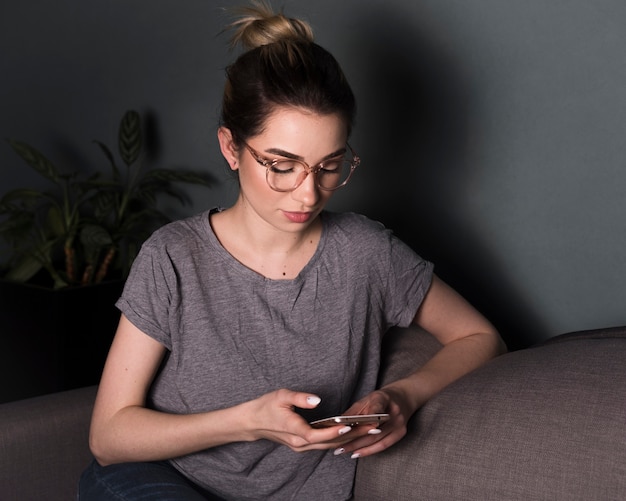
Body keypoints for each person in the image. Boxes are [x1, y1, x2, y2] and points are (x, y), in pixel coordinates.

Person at [79, 1, 506, 500]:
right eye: (282, 165)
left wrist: (402, 397)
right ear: (230, 148)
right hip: (160, 482)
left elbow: (480, 336)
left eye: (330, 165)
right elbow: (108, 437)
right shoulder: (173, 257)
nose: (308, 193)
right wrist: (248, 422)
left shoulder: (367, 254)